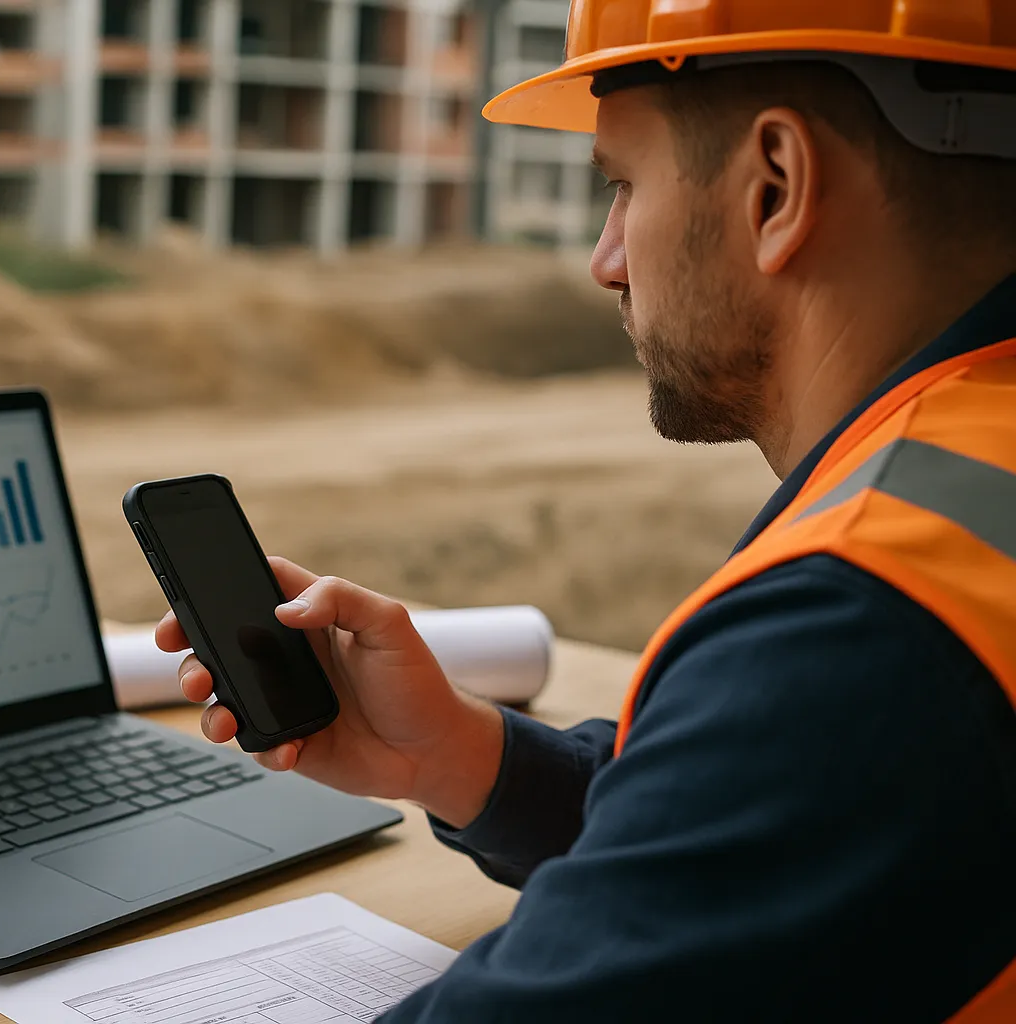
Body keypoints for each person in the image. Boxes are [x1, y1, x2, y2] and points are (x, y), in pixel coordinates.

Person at [156, 4, 1016, 1020]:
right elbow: (765, 829)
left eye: (623, 186)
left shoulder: (868, 620)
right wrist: (463, 758)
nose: (605, 258)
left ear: (775, 186)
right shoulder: (968, 480)